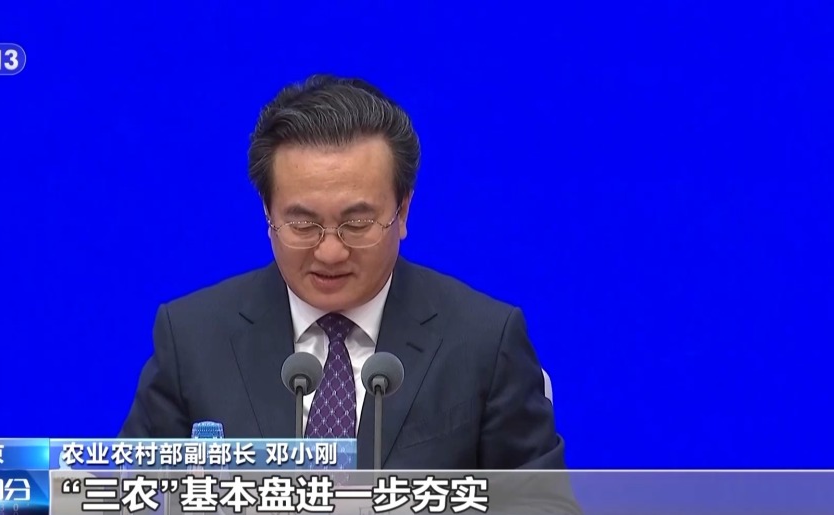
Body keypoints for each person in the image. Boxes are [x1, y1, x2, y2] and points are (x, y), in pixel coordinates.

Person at [119, 74, 569, 472]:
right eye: (303, 225)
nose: (330, 252)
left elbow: (543, 506)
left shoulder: (484, 341)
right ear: (268, 214)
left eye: (356, 224)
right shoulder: (193, 338)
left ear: (403, 211)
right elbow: (130, 497)